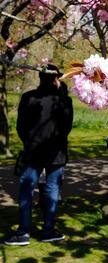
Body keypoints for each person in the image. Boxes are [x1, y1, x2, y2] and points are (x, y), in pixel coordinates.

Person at [5, 64, 73, 246]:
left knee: (27, 190)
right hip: (56, 152)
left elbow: (21, 127)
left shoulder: (29, 98)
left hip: (33, 150)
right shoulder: (64, 101)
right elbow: (66, 128)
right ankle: (48, 230)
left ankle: (23, 232)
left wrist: (29, 141)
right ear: (55, 78)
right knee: (52, 190)